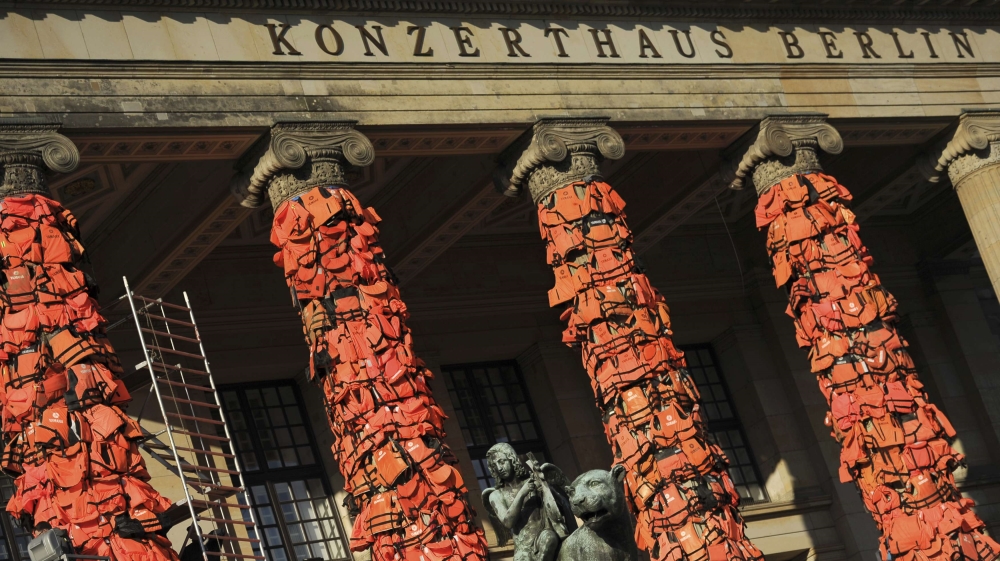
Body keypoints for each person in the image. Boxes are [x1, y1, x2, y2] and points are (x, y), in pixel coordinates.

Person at [482, 443, 576, 561]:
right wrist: (523, 492)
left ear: (512, 459)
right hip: (523, 547)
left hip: (544, 535)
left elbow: (558, 505)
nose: (499, 468)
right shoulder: (495, 495)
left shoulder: (532, 481)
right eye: (494, 465)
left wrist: (544, 486)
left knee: (549, 539)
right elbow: (508, 522)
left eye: (502, 461)